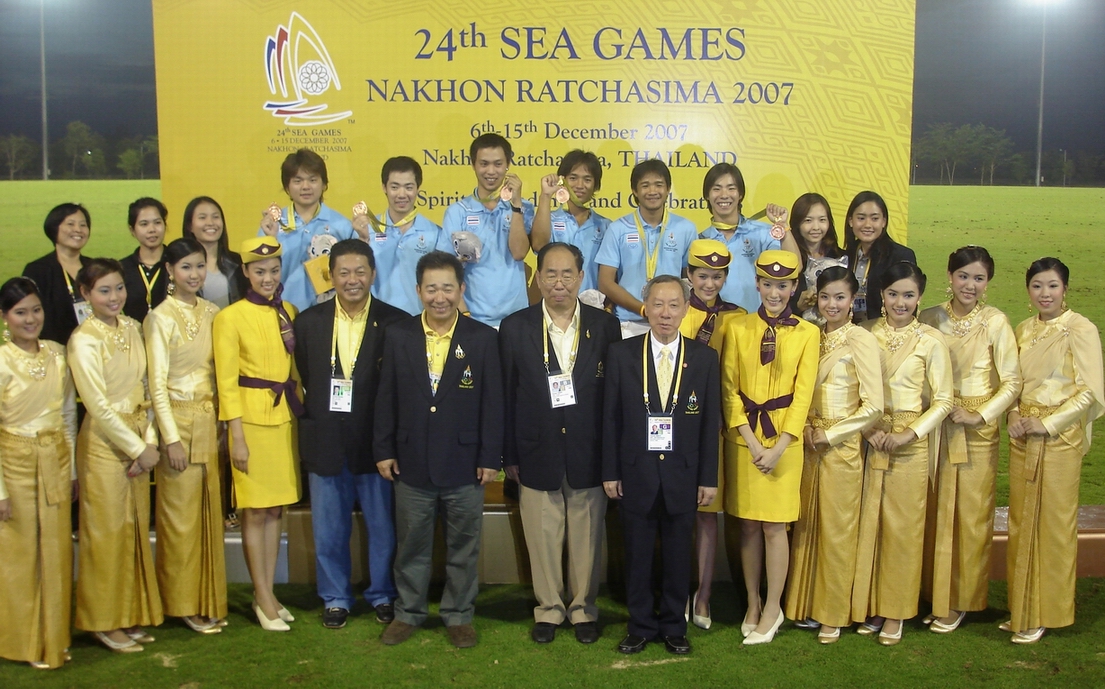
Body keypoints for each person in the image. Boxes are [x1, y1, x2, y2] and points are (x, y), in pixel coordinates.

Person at [375, 251, 504, 649]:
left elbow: (493, 403)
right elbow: (386, 397)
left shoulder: (482, 338)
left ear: (461, 290)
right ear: (418, 291)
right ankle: (408, 612)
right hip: (410, 461)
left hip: (465, 464)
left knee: (464, 547)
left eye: (448, 287)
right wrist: (384, 448)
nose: (440, 296)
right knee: (411, 544)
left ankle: (459, 614)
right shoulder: (399, 335)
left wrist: (489, 458)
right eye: (431, 288)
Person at [499, 242, 621, 645]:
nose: (559, 283)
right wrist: (509, 455)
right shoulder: (515, 327)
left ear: (581, 277)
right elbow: (506, 395)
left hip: (589, 450)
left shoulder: (605, 327)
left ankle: (584, 609)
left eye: (567, 274)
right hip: (536, 448)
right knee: (542, 533)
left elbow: (612, 399)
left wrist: (611, 458)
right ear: (538, 278)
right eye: (550, 273)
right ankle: (549, 609)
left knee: (587, 536)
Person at [602, 274, 720, 655]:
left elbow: (708, 424)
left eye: (673, 305)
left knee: (676, 555)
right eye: (657, 304)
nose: (665, 313)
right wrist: (610, 471)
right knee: (635, 555)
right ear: (645, 307)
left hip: (683, 475)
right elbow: (611, 419)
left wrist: (708, 478)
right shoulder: (622, 354)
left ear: (687, 310)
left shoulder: (703, 358)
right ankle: (639, 625)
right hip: (635, 472)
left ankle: (673, 625)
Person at [292, 239, 407, 629]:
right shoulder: (308, 322)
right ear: (331, 275)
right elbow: (309, 376)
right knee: (329, 529)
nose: (352, 279)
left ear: (373, 274)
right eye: (344, 272)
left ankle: (382, 594)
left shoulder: (396, 323)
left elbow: (396, 388)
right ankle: (336, 597)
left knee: (383, 528)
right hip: (325, 439)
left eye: (360, 271)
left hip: (376, 445)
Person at [918, 246, 1021, 633]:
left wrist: (979, 414)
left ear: (988, 283)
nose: (970, 285)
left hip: (977, 432)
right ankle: (933, 594)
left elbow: (1012, 381)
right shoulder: (930, 318)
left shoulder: (995, 322)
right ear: (949, 275)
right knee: (934, 511)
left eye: (979, 278)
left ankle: (962, 599)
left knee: (971, 516)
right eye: (963, 276)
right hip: (935, 426)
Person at [719, 249, 819, 645]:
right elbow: (728, 389)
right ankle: (753, 601)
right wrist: (747, 439)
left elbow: (803, 395)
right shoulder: (738, 327)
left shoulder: (809, 334)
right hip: (744, 440)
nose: (774, 293)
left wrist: (777, 447)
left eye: (783, 285)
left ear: (795, 287)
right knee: (747, 526)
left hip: (784, 443)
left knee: (776, 527)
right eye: (768, 284)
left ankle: (774, 606)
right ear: (757, 284)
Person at [851, 262, 953, 646]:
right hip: (871, 438)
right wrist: (869, 429)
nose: (900, 302)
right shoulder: (864, 334)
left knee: (903, 530)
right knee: (869, 524)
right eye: (893, 294)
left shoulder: (930, 341)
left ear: (920, 298)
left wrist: (910, 433)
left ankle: (896, 611)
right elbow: (852, 388)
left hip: (910, 446)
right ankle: (872, 604)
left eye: (908, 295)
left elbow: (943, 400)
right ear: (881, 295)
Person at [1005, 257, 1103, 644]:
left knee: (1055, 526)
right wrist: (1013, 414)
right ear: (1028, 291)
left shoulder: (1081, 329)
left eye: (1052, 286)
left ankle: (1049, 611)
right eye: (1037, 286)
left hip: (1059, 440)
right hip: (1022, 437)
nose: (1045, 294)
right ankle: (1022, 608)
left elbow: (1090, 391)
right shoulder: (1023, 329)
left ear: (1066, 289)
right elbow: (1012, 381)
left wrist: (1046, 424)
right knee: (1020, 521)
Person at [783, 267, 883, 644]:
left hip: (841, 447)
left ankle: (835, 612)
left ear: (854, 299)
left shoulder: (860, 339)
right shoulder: (812, 335)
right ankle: (806, 604)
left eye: (840, 297)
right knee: (808, 525)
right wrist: (808, 428)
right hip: (809, 444)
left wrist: (832, 433)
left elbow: (874, 405)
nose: (832, 304)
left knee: (839, 529)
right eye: (825, 297)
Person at [68, 258, 162, 653]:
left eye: (118, 288)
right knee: (105, 534)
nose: (114, 297)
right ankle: (101, 620)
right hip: (106, 445)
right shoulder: (83, 339)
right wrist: (139, 448)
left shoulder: (131, 327)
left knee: (132, 529)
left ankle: (128, 613)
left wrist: (151, 440)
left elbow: (148, 386)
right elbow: (98, 405)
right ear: (85, 295)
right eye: (103, 291)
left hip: (140, 436)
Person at [213, 236, 302, 631]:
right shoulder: (229, 318)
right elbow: (227, 382)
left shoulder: (289, 310)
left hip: (283, 419)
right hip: (249, 422)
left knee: (276, 508)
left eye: (274, 270)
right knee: (254, 510)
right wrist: (235, 435)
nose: (268, 278)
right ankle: (262, 596)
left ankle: (268, 592)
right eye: (260, 271)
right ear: (246, 273)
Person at [144, 238, 227, 634]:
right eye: (186, 268)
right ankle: (179, 603)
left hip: (208, 423)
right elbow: (155, 385)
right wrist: (170, 438)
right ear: (171, 271)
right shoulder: (159, 318)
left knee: (207, 514)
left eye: (199, 267)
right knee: (179, 520)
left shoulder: (213, 312)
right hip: (178, 423)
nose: (194, 275)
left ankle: (206, 598)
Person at [0, 278, 77, 669]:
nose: (30, 319)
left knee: (57, 549)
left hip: (57, 460)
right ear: (4, 318)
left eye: (35, 310)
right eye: (20, 313)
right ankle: (23, 642)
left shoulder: (57, 354)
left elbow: (66, 414)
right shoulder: (1, 361)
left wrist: (73, 469)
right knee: (21, 554)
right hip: (14, 465)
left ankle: (55, 636)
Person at [677, 238, 745, 630]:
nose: (709, 283)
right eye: (702, 275)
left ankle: (702, 595)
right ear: (689, 275)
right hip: (673, 428)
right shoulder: (674, 312)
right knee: (674, 513)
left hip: (714, 428)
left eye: (717, 276)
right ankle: (673, 588)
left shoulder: (738, 318)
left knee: (706, 515)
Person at [441, 134, 535, 327]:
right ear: (473, 164)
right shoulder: (457, 212)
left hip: (516, 317)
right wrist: (463, 312)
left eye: (498, 164)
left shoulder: (522, 207)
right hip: (474, 318)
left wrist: (516, 205)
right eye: (484, 164)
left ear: (508, 164)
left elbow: (518, 253)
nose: (491, 171)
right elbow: (446, 271)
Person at [597, 160, 698, 337]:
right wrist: (643, 309)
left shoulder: (686, 228)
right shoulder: (618, 228)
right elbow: (605, 282)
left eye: (658, 185)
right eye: (645, 185)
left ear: (668, 189)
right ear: (635, 191)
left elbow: (690, 279)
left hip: (672, 323)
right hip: (629, 323)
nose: (652, 191)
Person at [259, 148, 361, 312]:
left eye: (312, 180)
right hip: (281, 311)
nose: (305, 186)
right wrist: (272, 240)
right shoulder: (272, 225)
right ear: (287, 187)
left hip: (329, 314)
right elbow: (260, 272)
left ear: (324, 184)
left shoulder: (342, 226)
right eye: (297, 181)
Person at [355, 156, 453, 316]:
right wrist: (363, 239)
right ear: (384, 187)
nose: (401, 194)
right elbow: (357, 275)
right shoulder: (366, 229)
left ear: (417, 188)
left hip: (418, 320)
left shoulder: (434, 233)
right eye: (395, 187)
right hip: (375, 319)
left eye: (408, 187)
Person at [696, 163, 800, 312]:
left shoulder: (762, 233)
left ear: (740, 194)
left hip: (754, 325)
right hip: (712, 326)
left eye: (731, 188)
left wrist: (783, 226)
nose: (724, 195)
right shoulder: (701, 240)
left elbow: (795, 266)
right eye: (716, 188)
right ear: (707, 195)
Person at [530, 149, 611, 293]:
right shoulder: (550, 220)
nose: (580, 185)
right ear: (563, 181)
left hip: (593, 307)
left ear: (596, 185)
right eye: (573, 178)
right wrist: (545, 195)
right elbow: (538, 245)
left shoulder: (606, 226)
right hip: (556, 302)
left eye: (587, 179)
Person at [22, 202, 93, 345]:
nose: (78, 230)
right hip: (53, 353)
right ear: (54, 229)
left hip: (94, 351)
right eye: (70, 224)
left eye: (83, 225)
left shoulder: (95, 268)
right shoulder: (37, 270)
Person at [843, 191, 916, 323]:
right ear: (850, 221)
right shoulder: (844, 256)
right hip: (849, 331)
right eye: (861, 218)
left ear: (884, 222)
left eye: (874, 218)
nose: (867, 225)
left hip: (885, 332)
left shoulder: (900, 255)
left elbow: (908, 301)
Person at [788, 193, 847, 319]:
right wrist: (798, 306)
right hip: (799, 330)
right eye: (808, 220)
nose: (816, 227)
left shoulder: (841, 258)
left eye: (822, 220)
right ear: (797, 223)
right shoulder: (788, 259)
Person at [181, 196, 245, 308]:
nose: (210, 223)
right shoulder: (180, 264)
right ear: (190, 226)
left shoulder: (236, 261)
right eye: (202, 217)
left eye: (215, 217)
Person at [120, 197, 170, 323]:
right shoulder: (121, 269)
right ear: (132, 230)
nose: (152, 229)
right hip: (133, 338)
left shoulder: (178, 263)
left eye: (157, 222)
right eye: (144, 224)